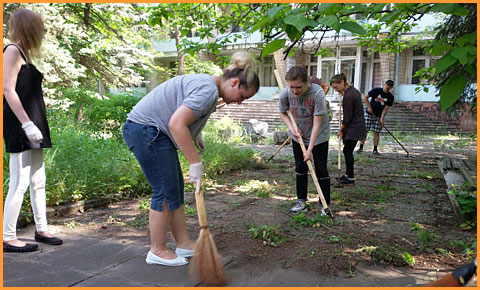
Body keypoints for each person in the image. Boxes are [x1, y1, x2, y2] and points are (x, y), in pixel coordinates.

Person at [123, 51, 259, 266]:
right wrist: (195, 162)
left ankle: (184, 243)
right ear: (234, 83)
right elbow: (176, 124)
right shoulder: (208, 91)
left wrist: (196, 134)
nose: (240, 103)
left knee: (174, 187)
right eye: (243, 97)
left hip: (153, 132)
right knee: (165, 191)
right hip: (146, 131)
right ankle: (157, 250)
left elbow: (182, 112)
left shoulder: (208, 85)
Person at [3, 8, 63, 253]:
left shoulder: (24, 54)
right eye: (39, 28)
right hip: (20, 125)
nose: (43, 32)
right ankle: (7, 237)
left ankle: (41, 228)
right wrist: (26, 124)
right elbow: (7, 89)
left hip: (34, 125)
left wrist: (34, 124)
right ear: (29, 28)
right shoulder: (12, 50)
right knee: (19, 182)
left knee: (39, 179)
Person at [279, 66, 330, 213]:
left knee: (320, 169)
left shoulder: (317, 93)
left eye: (298, 87)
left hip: (319, 136)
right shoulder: (287, 93)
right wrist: (292, 129)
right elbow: (283, 113)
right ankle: (301, 201)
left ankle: (324, 204)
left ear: (306, 82)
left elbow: (317, 124)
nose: (295, 91)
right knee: (300, 168)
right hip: (298, 136)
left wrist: (310, 149)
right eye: (292, 87)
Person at [330, 73, 366, 185]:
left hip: (354, 126)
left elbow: (348, 117)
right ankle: (348, 175)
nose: (335, 90)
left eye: (336, 87)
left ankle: (350, 177)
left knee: (347, 150)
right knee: (347, 150)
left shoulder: (349, 96)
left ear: (342, 82)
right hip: (355, 125)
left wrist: (341, 129)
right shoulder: (352, 91)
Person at [357, 80, 395, 155]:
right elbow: (365, 97)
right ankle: (361, 147)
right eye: (387, 85)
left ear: (391, 87)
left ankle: (375, 149)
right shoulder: (376, 90)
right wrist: (369, 107)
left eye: (390, 86)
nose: (388, 87)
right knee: (365, 131)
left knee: (376, 132)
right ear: (384, 84)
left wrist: (381, 118)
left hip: (378, 116)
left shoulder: (390, 97)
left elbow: (386, 108)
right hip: (369, 114)